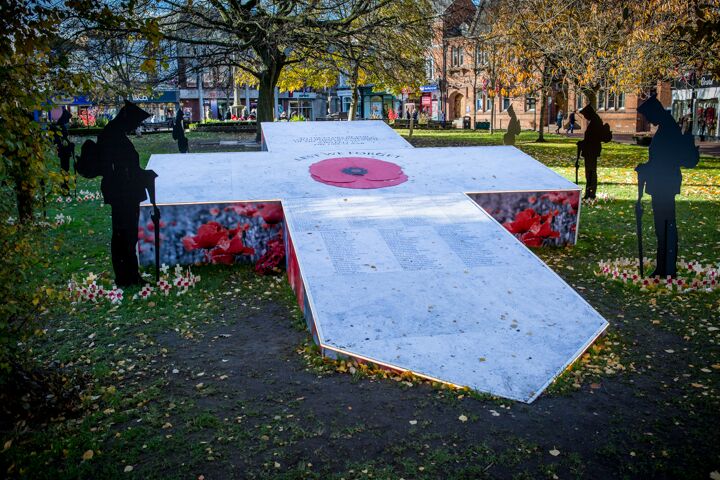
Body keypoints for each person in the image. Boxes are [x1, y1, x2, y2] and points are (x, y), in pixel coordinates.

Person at [97, 100, 160, 286]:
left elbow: (126, 168)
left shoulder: (113, 134)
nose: (136, 126)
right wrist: (143, 175)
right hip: (123, 195)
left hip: (125, 193)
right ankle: (126, 277)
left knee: (126, 235)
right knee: (124, 235)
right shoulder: (112, 136)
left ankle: (129, 275)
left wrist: (142, 174)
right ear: (126, 118)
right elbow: (121, 170)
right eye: (135, 122)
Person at [636, 95, 699, 277]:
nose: (648, 120)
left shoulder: (668, 130)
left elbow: (664, 161)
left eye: (648, 116)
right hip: (662, 184)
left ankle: (667, 268)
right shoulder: (667, 127)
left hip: (664, 184)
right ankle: (663, 267)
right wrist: (646, 167)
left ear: (654, 112)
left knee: (666, 226)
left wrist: (646, 168)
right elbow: (660, 159)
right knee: (662, 227)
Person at [577, 104, 611, 200]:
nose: (584, 117)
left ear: (589, 113)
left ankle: (591, 194)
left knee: (591, 172)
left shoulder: (595, 123)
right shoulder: (595, 121)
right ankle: (589, 193)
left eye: (585, 115)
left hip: (591, 151)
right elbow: (591, 138)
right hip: (590, 151)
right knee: (590, 172)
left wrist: (583, 143)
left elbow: (592, 139)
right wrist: (582, 143)